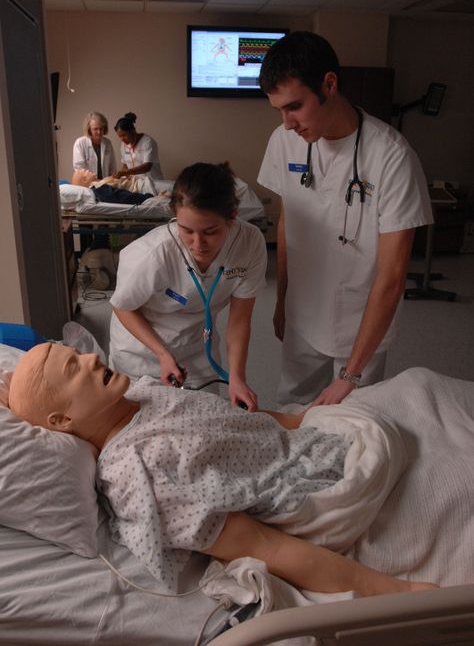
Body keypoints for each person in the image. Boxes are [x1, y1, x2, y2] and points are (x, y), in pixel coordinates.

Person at [8, 342, 437, 597]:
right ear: (63, 422)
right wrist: (398, 592)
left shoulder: (139, 392)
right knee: (418, 394)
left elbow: (236, 421)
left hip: (301, 438)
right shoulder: (140, 475)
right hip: (315, 478)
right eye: (73, 367)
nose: (90, 356)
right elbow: (264, 546)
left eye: (79, 352)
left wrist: (304, 418)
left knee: (421, 384)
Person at [257, 31, 433, 407]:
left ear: (329, 84)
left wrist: (351, 374)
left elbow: (393, 276)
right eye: (279, 112)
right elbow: (288, 223)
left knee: (353, 425)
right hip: (302, 312)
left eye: (295, 106)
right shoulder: (283, 141)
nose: (287, 123)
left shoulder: (391, 157)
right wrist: (282, 300)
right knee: (294, 407)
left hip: (359, 323)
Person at [108, 161, 267, 411]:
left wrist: (237, 378)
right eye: (186, 230)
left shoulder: (249, 244)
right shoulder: (153, 254)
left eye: (210, 231)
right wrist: (162, 354)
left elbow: (239, 321)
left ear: (233, 214)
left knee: (205, 418)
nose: (198, 244)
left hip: (197, 350)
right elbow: (123, 307)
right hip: (143, 353)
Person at [113, 112, 163, 193]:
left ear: (133, 130)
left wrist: (125, 172)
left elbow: (147, 166)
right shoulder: (123, 145)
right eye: (120, 136)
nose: (122, 139)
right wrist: (120, 174)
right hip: (136, 185)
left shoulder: (147, 142)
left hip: (153, 183)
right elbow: (125, 165)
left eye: (124, 135)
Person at [73, 111, 116, 180]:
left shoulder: (108, 143)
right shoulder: (80, 143)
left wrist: (112, 180)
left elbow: (112, 166)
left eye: (101, 128)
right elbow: (79, 168)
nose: (99, 132)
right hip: (88, 184)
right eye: (95, 129)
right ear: (89, 129)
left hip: (106, 183)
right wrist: (93, 180)